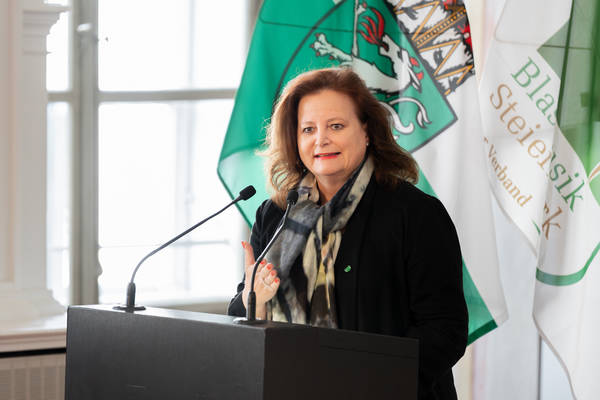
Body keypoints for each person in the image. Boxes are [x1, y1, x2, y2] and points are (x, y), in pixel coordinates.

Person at [227, 67, 468, 399]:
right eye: (308, 129)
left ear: (366, 130)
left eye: (336, 126)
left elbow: (444, 331)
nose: (321, 139)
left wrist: (365, 382)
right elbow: (241, 321)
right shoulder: (275, 214)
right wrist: (252, 300)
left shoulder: (415, 214)